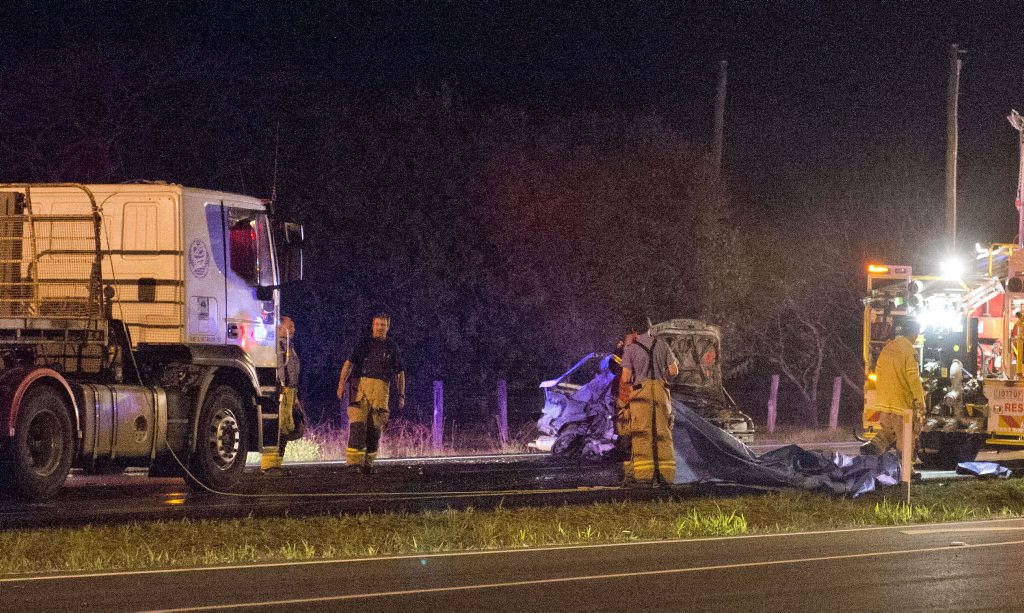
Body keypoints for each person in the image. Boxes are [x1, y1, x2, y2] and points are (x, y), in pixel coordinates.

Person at [337, 313, 405, 473]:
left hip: (381, 392)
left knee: (375, 430)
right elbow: (348, 364)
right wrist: (341, 385)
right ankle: (354, 463)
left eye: (383, 325)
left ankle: (368, 464)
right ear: (372, 326)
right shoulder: (363, 344)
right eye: (377, 324)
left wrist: (401, 395)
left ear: (388, 327)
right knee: (358, 427)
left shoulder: (392, 347)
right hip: (360, 391)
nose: (380, 327)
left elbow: (400, 373)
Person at [618, 317, 679, 486]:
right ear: (650, 328)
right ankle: (666, 476)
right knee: (663, 433)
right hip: (661, 392)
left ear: (634, 332)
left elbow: (625, 378)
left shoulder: (630, 349)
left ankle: (645, 477)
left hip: (641, 395)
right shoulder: (662, 345)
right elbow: (674, 371)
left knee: (642, 434)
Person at [865, 318, 925, 462]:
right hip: (901, 404)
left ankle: (873, 449)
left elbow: (878, 373)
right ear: (914, 333)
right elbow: (913, 378)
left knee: (887, 433)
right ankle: (906, 473)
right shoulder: (909, 351)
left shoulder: (888, 348)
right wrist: (920, 400)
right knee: (906, 438)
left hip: (884, 403)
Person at [262, 315, 304, 472]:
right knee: (277, 426)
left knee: (288, 426)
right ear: (279, 328)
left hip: (291, 391)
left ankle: (276, 464)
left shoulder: (289, 347)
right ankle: (269, 465)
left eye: (293, 326)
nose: (293, 329)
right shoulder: (273, 347)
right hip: (281, 391)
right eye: (289, 326)